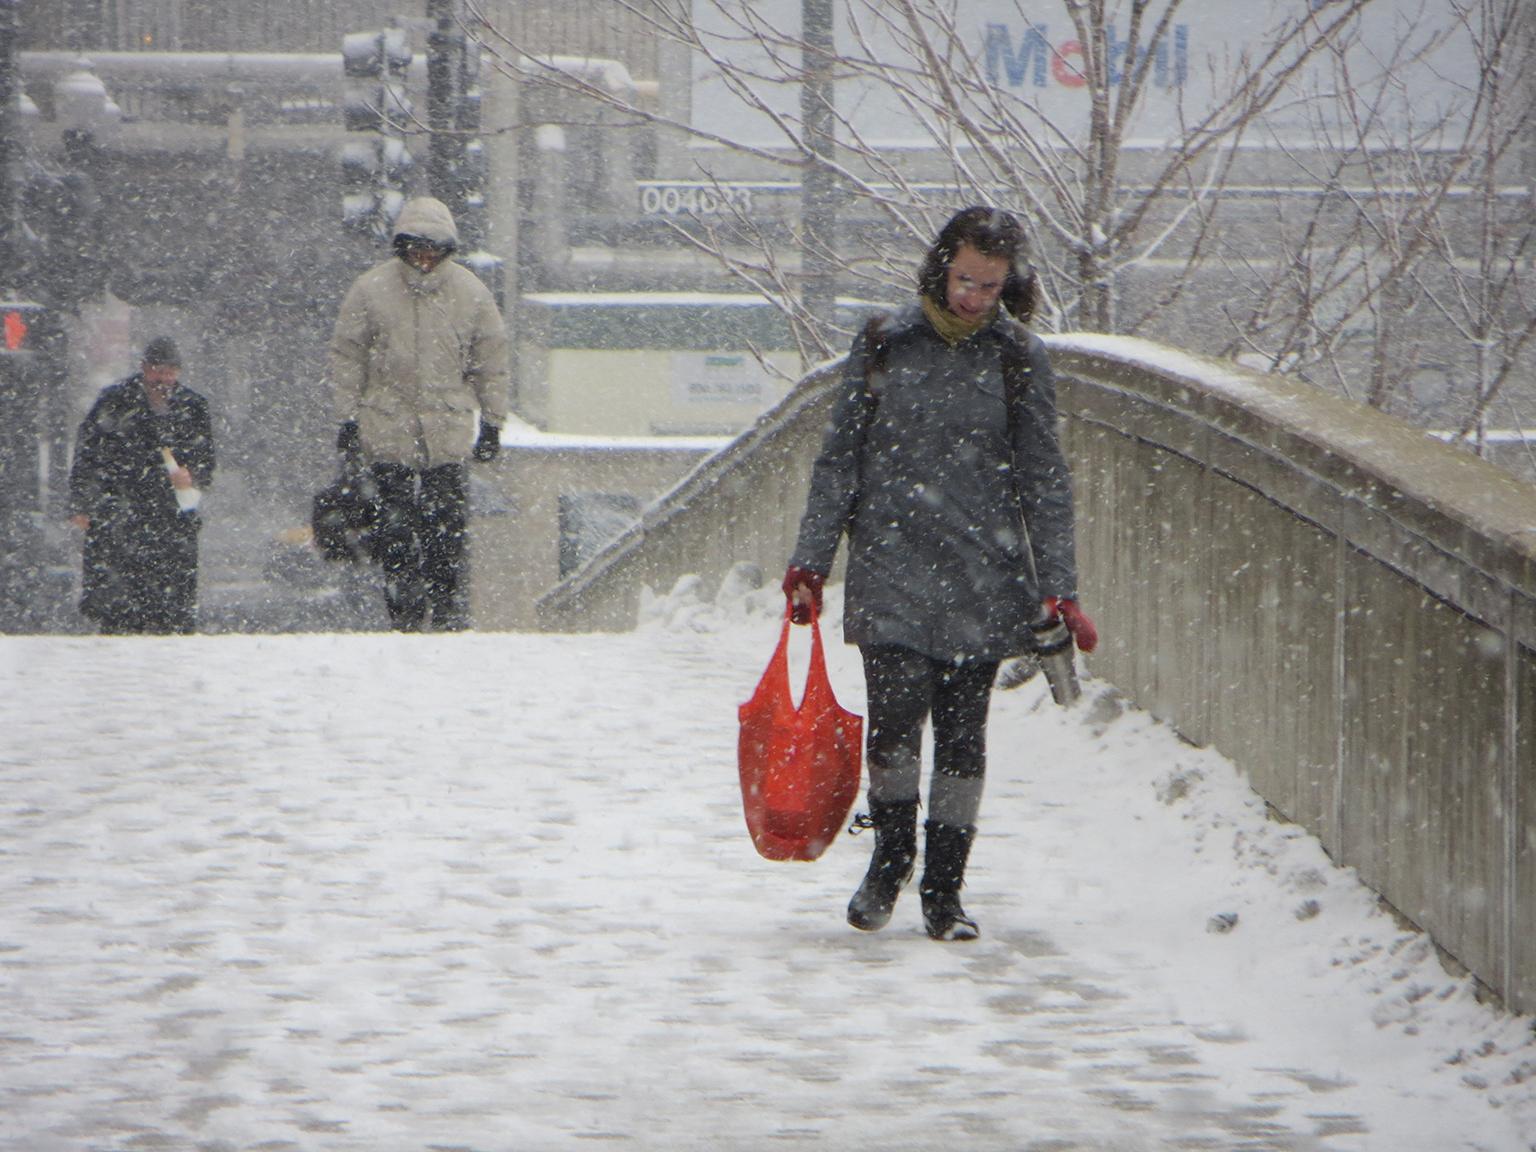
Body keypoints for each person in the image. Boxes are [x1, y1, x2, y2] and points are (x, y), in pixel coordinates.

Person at [782, 206, 1099, 941]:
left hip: (984, 576)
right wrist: (811, 559)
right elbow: (839, 460)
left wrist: (1061, 586)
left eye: (990, 287)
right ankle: (891, 858)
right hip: (892, 565)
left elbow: (1044, 479)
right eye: (964, 280)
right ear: (940, 268)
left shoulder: (1019, 358)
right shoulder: (885, 343)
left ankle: (944, 891)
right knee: (893, 730)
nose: (974, 298)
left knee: (963, 739)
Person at [329, 196, 510, 632]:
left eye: (433, 249)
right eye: (416, 248)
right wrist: (347, 419)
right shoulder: (371, 291)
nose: (424, 258)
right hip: (386, 431)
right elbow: (346, 356)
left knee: (446, 535)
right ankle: (405, 619)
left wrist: (493, 422)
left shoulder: (471, 294)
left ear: (447, 249)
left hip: (446, 437)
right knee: (393, 537)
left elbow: (492, 361)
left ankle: (447, 617)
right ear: (402, 246)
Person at [68, 336, 215, 635]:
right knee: (118, 608)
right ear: (144, 369)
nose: (163, 379)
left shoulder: (194, 406)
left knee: (171, 608)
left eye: (170, 371)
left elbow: (206, 459)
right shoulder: (114, 402)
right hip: (119, 511)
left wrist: (192, 475)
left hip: (170, 517)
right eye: (157, 370)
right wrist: (82, 503)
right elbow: (88, 455)